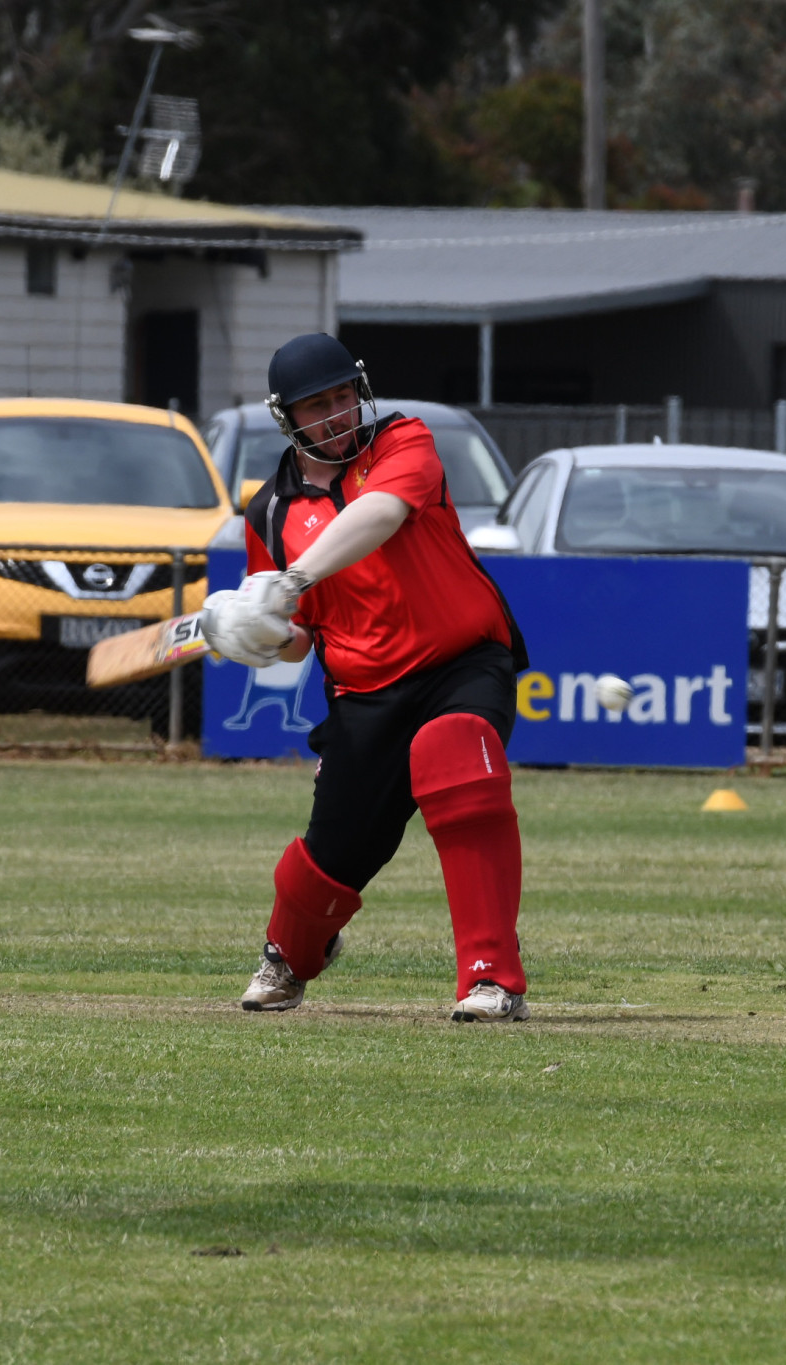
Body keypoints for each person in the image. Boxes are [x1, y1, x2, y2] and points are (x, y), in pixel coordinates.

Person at [200, 334, 532, 1022]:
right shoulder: (268, 512)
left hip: (461, 661)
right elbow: (297, 641)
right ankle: (288, 957)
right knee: (331, 858)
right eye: (316, 405)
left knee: (456, 758)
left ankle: (490, 977)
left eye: (344, 396)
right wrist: (255, 636)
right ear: (285, 417)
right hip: (363, 694)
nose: (338, 414)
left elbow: (377, 515)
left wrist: (288, 579)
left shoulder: (403, 441)